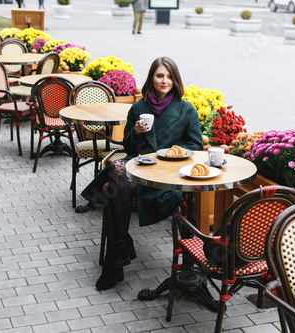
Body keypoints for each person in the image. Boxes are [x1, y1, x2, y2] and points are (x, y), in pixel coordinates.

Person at [81, 56, 204, 290]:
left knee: (109, 188)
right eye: (159, 76)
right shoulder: (138, 108)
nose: (164, 81)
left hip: (166, 173)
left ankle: (113, 261)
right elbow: (128, 146)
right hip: (139, 165)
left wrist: (175, 151)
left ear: (175, 79)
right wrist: (136, 132)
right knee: (119, 168)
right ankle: (120, 247)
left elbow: (196, 146)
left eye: (169, 76)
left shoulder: (186, 109)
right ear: (152, 78)